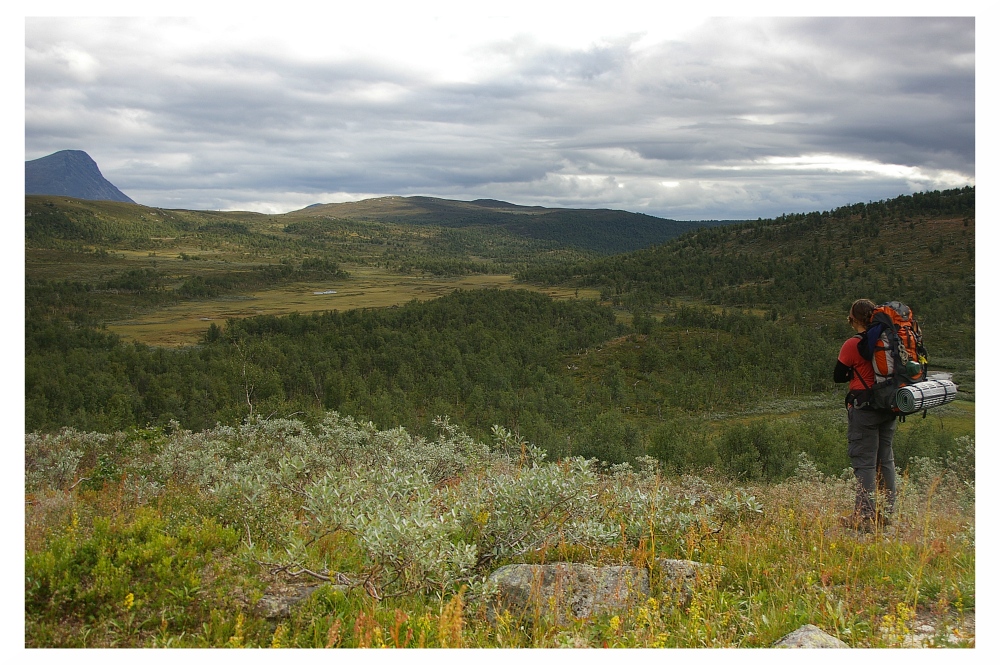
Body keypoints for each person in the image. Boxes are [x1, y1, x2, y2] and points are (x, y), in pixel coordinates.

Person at [833, 298, 897, 532]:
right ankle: (888, 513)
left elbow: (838, 376)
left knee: (865, 463)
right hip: (888, 406)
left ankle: (864, 517)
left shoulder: (852, 344)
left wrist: (853, 370)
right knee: (886, 461)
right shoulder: (887, 339)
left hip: (864, 408)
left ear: (853, 319)